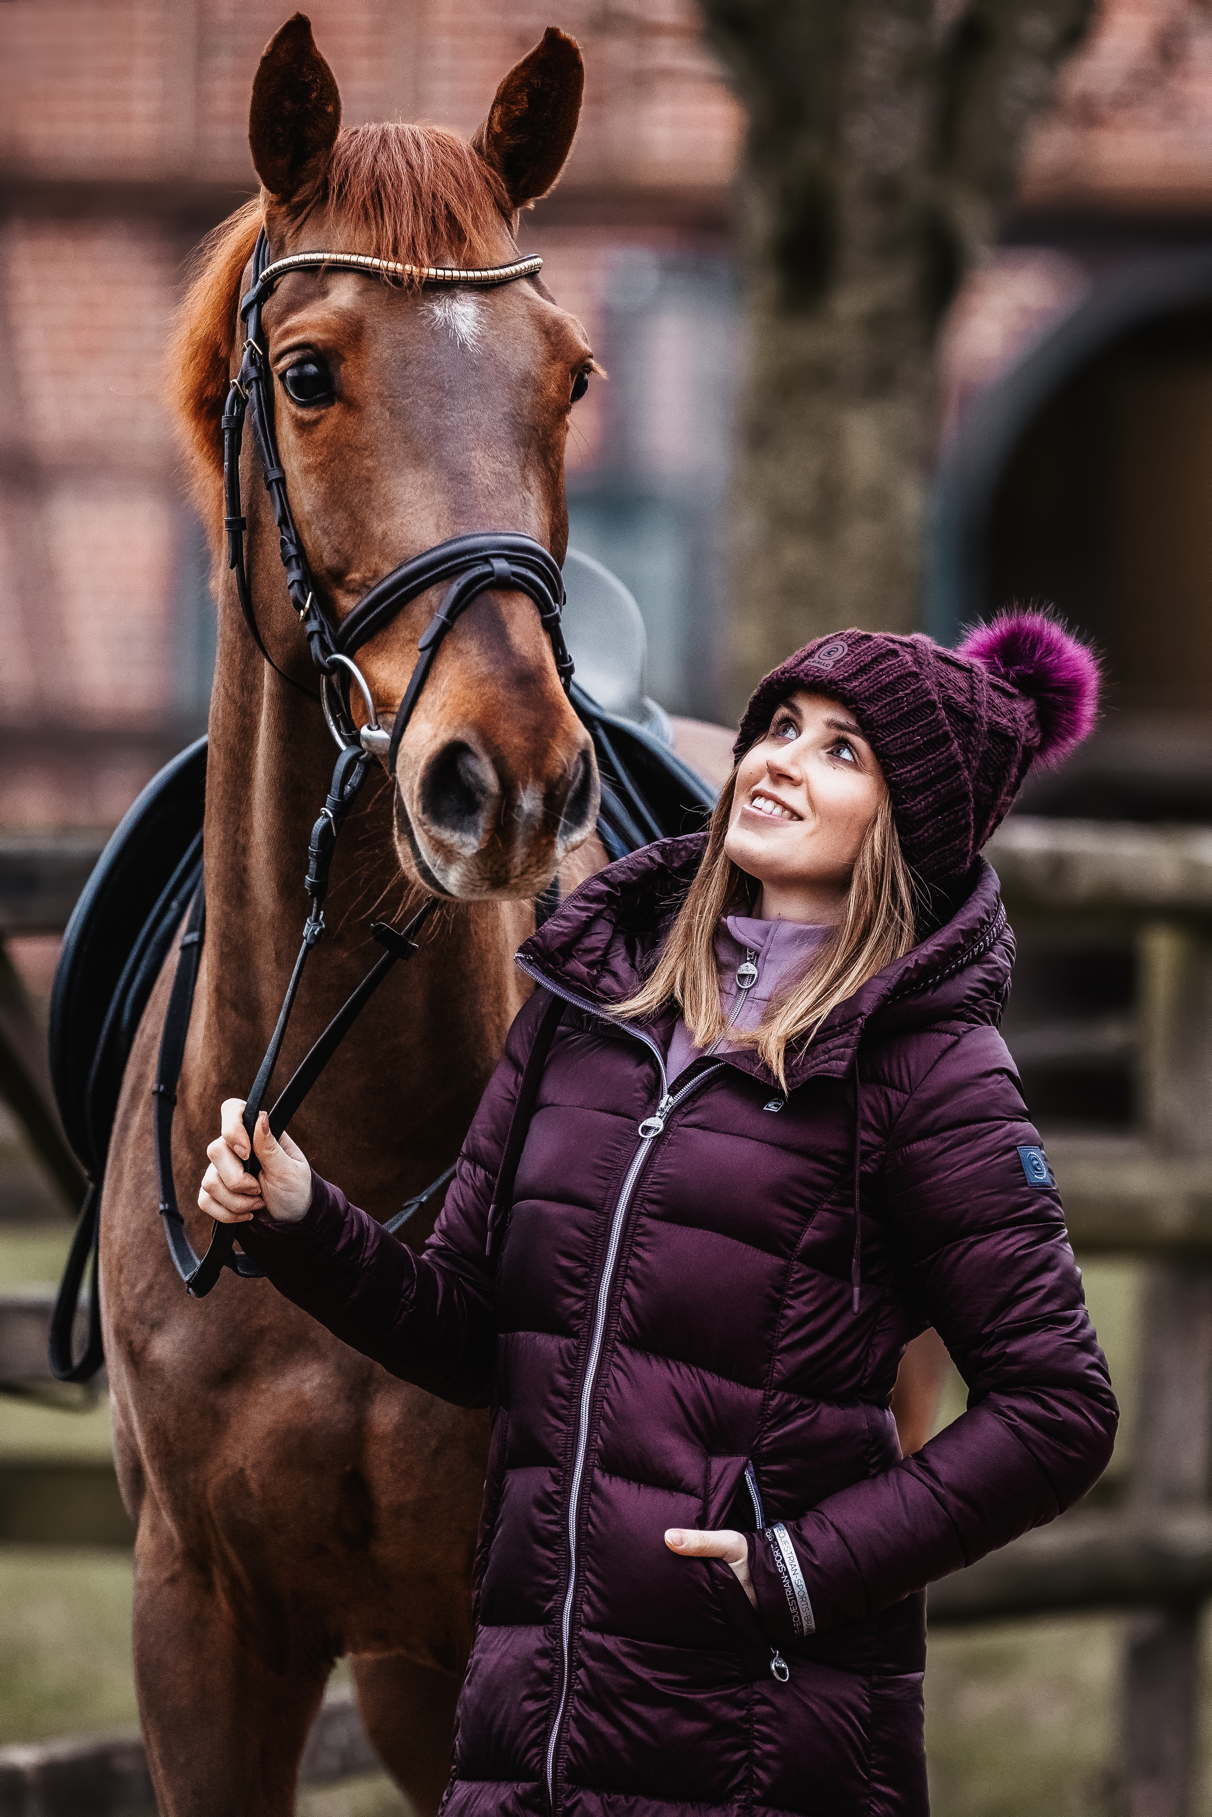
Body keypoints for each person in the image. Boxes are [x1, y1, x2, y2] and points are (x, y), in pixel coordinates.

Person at [200, 608, 1120, 1817]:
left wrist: (801, 1565)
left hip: (757, 1744)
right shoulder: (591, 1002)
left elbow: (1060, 1409)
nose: (781, 758)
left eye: (845, 751)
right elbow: (471, 1331)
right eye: (780, 725)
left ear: (911, 826)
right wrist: (305, 1217)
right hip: (528, 1736)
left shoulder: (931, 1068)